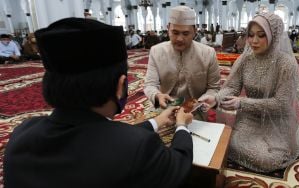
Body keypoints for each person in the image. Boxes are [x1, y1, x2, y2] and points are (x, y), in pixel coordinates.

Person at [4, 18, 194, 188]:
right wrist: (181, 126)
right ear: (121, 86)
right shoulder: (136, 148)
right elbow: (179, 165)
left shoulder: (22, 134)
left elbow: (108, 138)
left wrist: (158, 121)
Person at [199, 12, 299, 172]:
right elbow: (231, 87)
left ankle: (295, 134)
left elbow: (281, 104)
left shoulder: (286, 64)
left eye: (261, 35)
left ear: (273, 36)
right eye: (250, 35)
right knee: (226, 141)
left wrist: (242, 102)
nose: (254, 41)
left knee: (267, 159)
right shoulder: (245, 59)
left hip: (276, 120)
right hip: (250, 117)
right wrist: (216, 98)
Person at [144, 5, 221, 109]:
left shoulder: (208, 53)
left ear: (195, 31)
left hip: (197, 108)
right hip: (165, 108)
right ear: (168, 29)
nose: (179, 39)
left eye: (185, 34)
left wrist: (206, 98)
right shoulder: (156, 51)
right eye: (175, 33)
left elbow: (214, 87)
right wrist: (157, 96)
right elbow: (150, 84)